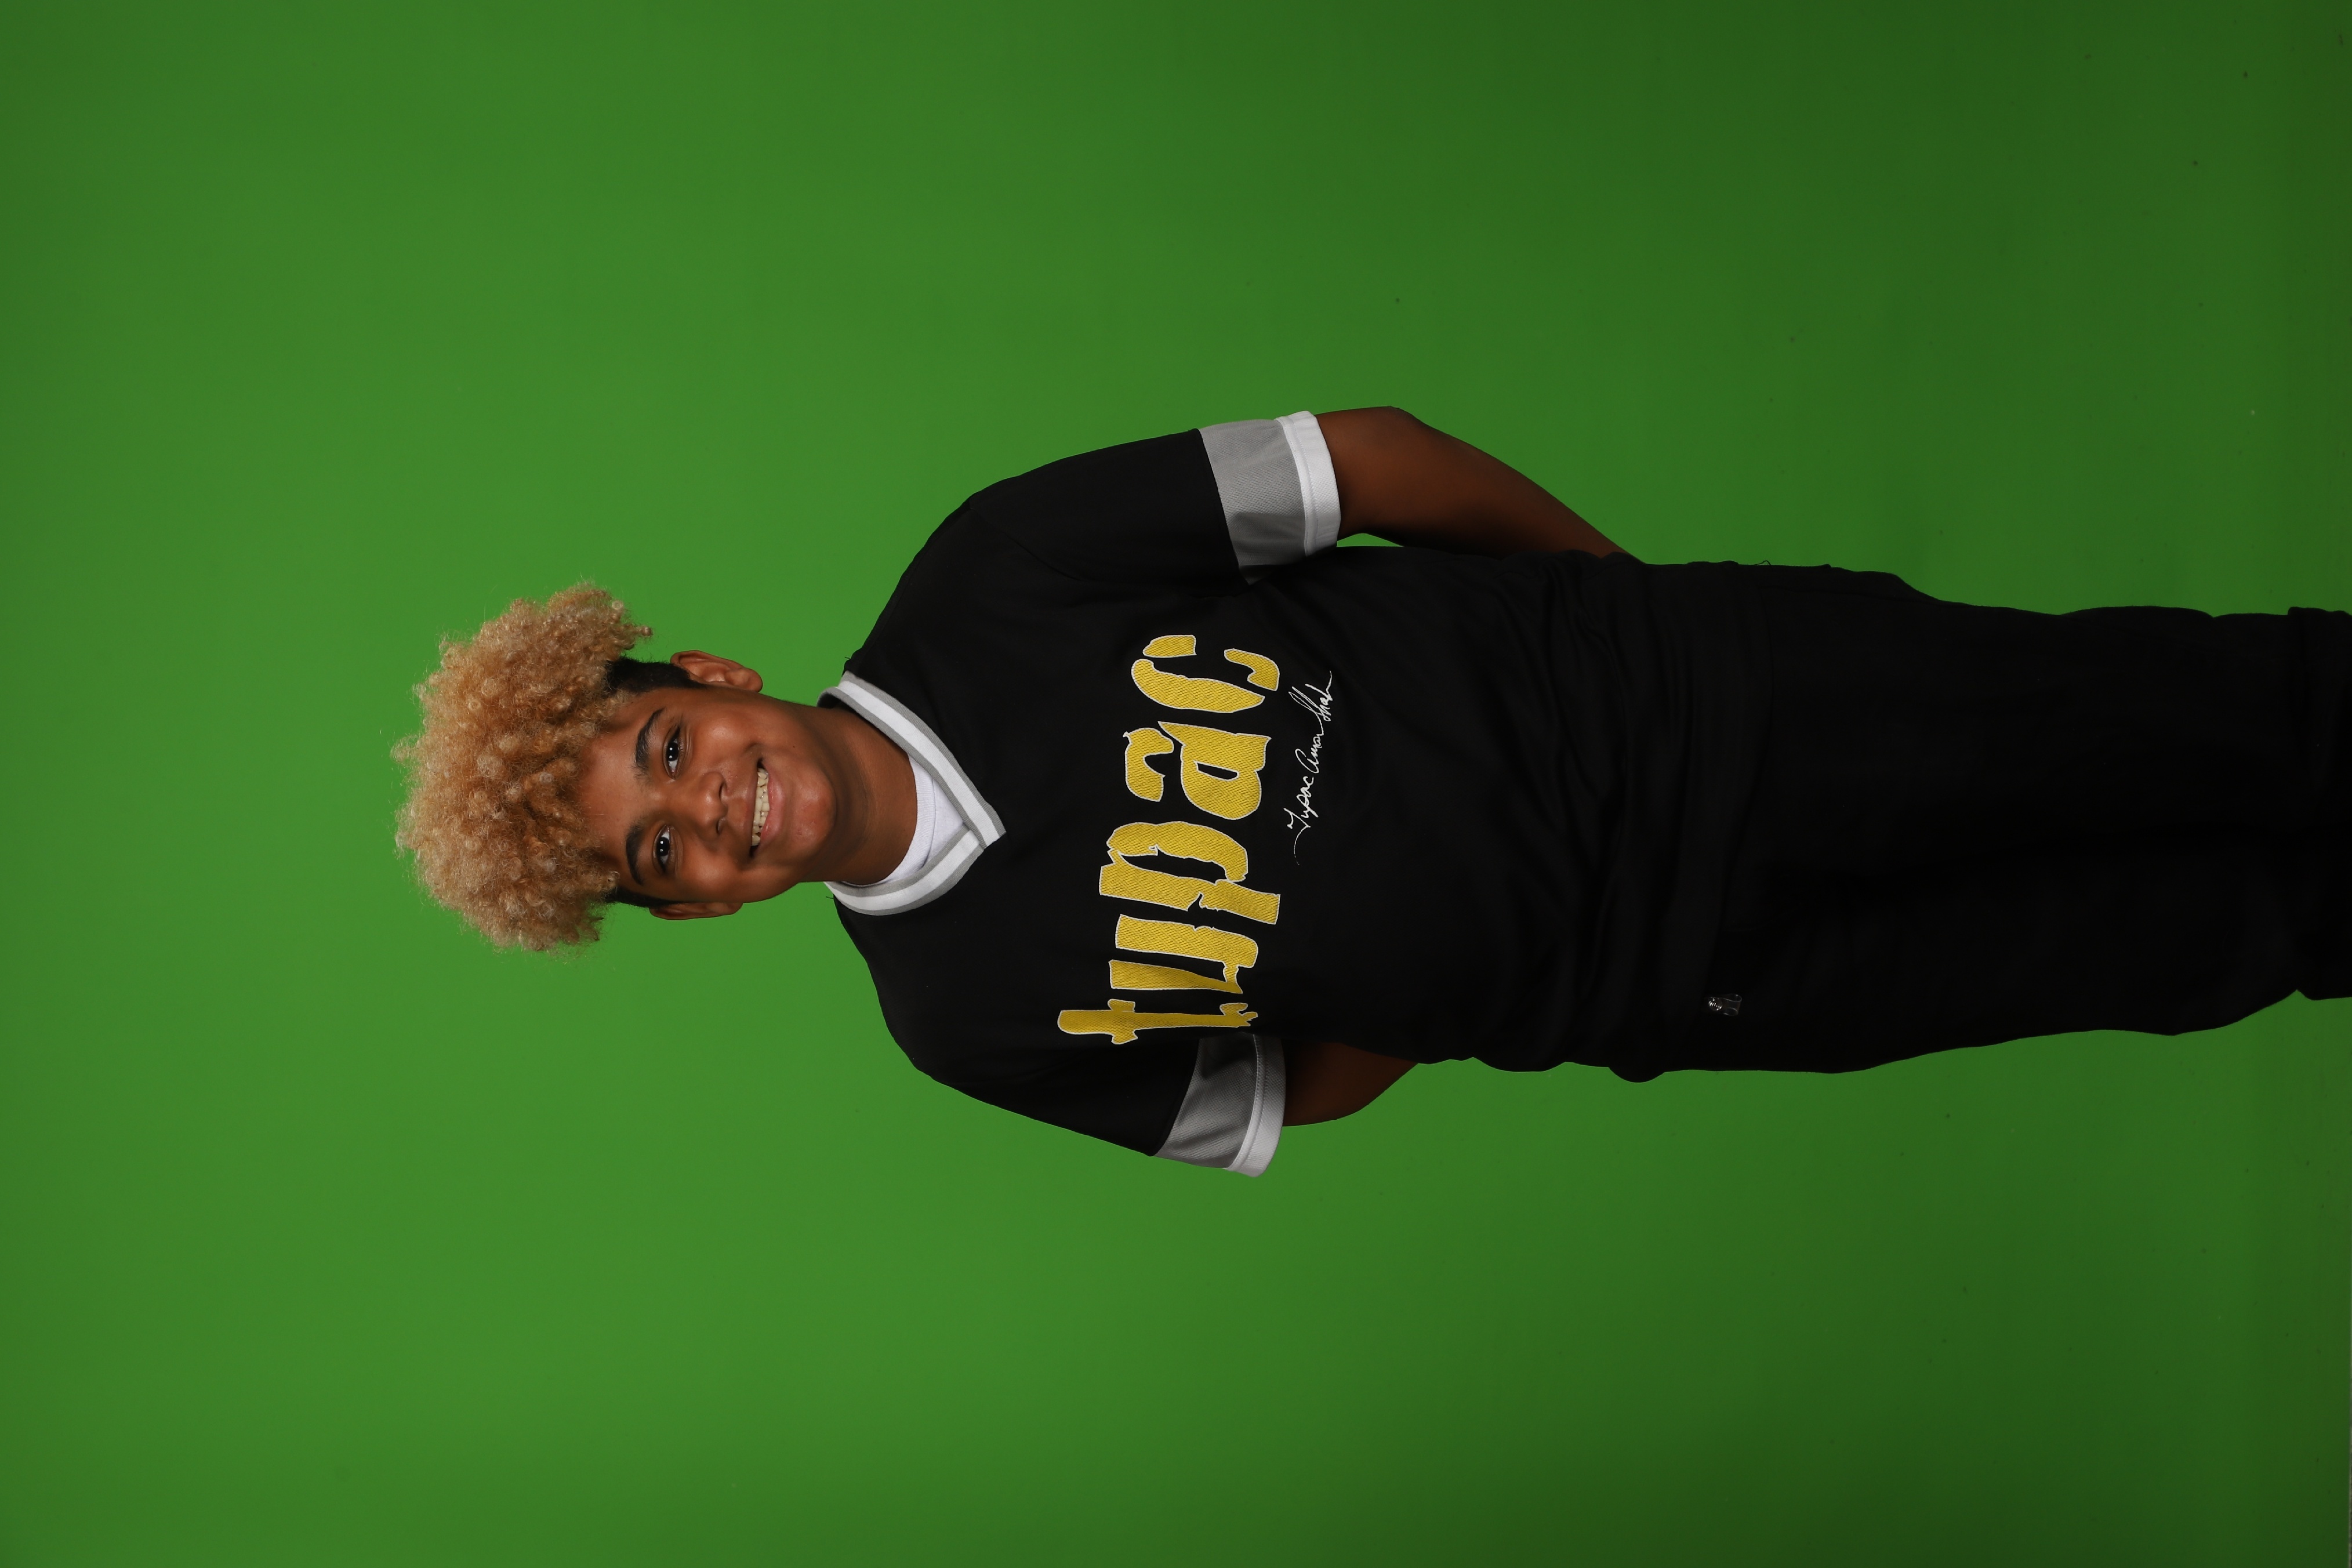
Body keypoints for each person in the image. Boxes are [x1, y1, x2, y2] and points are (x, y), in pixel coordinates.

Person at [395, 408, 2352, 1175]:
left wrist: (1632, 630)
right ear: (695, 908)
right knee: (2188, 942)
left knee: (2215, 716)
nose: (714, 813)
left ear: (710, 681)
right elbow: (1287, 1090)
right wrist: (1467, 950)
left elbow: (1371, 460)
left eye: (668, 753)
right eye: (663, 856)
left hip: (1725, 700)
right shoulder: (958, 1020)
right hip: (1690, 981)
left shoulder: (994, 572)